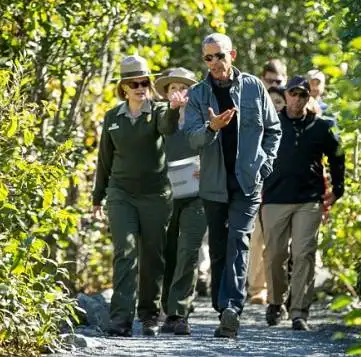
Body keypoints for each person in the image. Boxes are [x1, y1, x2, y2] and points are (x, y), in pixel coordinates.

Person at [184, 33, 282, 338]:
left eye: (220, 56)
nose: (215, 63)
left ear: (233, 55)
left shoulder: (253, 87)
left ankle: (231, 308)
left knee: (238, 240)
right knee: (217, 245)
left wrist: (264, 166)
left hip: (247, 181)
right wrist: (211, 127)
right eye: (208, 58)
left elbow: (273, 130)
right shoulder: (199, 94)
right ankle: (221, 303)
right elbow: (191, 138)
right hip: (213, 182)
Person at [91, 55, 188, 337]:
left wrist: (173, 109)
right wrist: (98, 198)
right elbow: (104, 160)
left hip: (155, 196)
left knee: (152, 258)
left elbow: (168, 128)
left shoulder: (157, 111)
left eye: (144, 81)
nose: (140, 86)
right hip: (121, 194)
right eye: (134, 82)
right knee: (125, 252)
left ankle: (148, 316)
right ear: (124, 86)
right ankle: (120, 318)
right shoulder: (113, 117)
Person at [261, 76, 345, 331]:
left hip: (309, 200)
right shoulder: (270, 122)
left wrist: (338, 188)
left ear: (309, 98)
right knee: (275, 255)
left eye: (302, 95)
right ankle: (276, 303)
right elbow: (251, 152)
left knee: (304, 254)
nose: (297, 99)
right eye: (293, 94)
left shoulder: (320, 127)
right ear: (285, 95)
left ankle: (299, 312)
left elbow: (337, 155)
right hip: (274, 198)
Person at [155, 67, 207, 336]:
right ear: (166, 93)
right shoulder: (160, 119)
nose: (179, 92)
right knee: (169, 252)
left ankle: (179, 313)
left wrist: (206, 167)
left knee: (188, 252)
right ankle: (165, 309)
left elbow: (215, 146)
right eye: (173, 87)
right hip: (166, 196)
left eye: (184, 87)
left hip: (197, 195)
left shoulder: (201, 119)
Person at [247, 60, 288, 305]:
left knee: (280, 244)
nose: (274, 85)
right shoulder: (253, 105)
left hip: (284, 187)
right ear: (262, 79)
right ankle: (257, 289)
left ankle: (278, 291)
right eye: (270, 80)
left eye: (278, 81)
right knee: (256, 239)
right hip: (257, 183)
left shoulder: (292, 107)